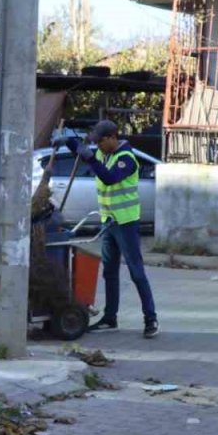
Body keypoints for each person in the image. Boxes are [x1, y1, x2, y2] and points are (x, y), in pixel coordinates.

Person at [60, 120, 159, 338]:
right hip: (109, 222)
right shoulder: (106, 155)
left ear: (113, 137)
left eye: (101, 142)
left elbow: (109, 177)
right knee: (109, 272)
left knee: (136, 272)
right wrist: (69, 142)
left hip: (126, 223)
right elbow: (91, 159)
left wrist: (88, 156)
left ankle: (150, 318)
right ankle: (110, 318)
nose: (99, 146)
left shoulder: (126, 159)